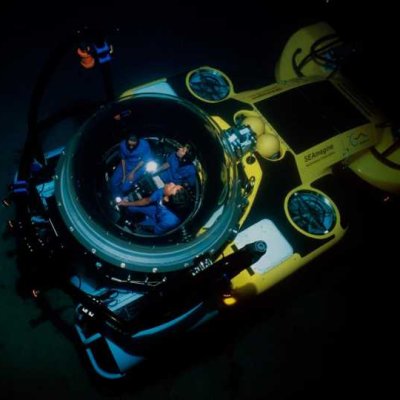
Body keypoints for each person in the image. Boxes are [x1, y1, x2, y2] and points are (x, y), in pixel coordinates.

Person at [118, 182, 191, 234]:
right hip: (155, 209)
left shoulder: (170, 221)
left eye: (172, 188)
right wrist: (126, 203)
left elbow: (156, 230)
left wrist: (140, 226)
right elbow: (147, 200)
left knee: (139, 229)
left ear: (166, 199)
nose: (172, 183)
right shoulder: (164, 191)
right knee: (130, 207)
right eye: (175, 185)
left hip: (157, 222)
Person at [109, 134, 153, 199]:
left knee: (124, 187)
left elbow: (144, 160)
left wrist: (132, 172)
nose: (131, 147)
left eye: (133, 145)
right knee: (113, 182)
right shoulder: (122, 144)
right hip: (127, 164)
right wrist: (124, 175)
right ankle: (115, 197)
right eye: (129, 145)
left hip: (138, 168)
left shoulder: (144, 145)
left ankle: (123, 198)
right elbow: (123, 159)